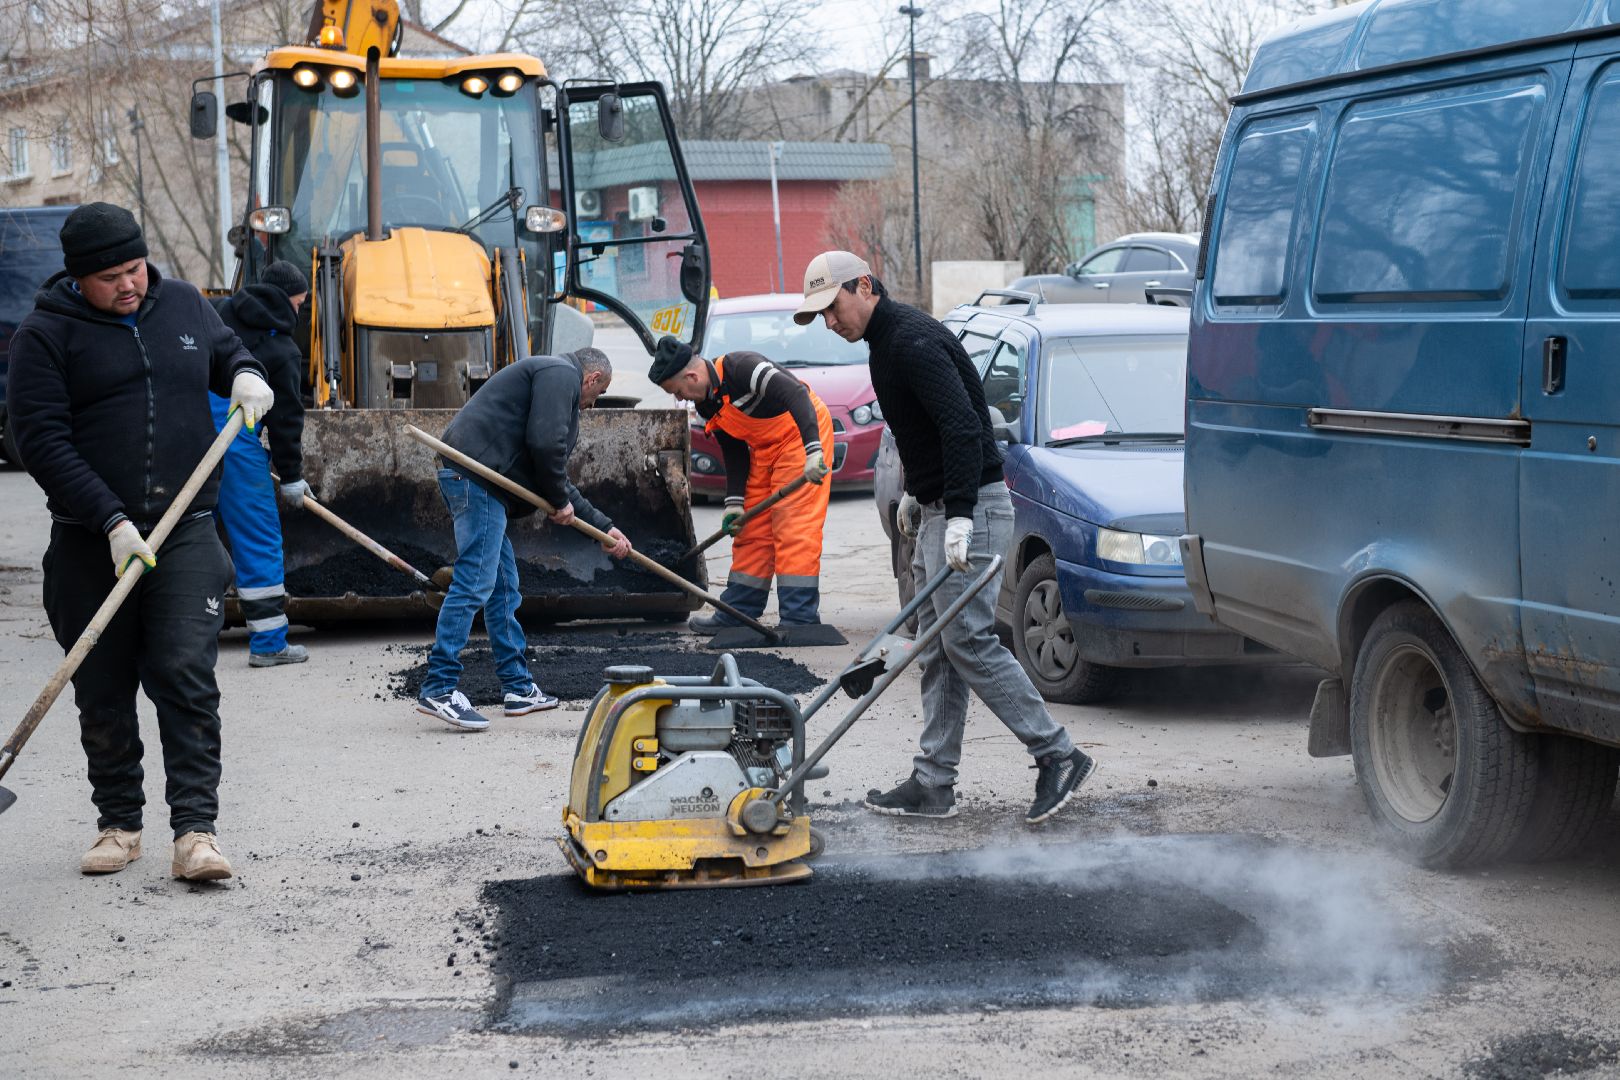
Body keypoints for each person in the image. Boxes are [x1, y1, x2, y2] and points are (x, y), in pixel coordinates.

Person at [7, 201, 273, 878]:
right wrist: (109, 519)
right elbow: (39, 439)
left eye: (135, 269)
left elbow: (226, 351)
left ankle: (196, 834)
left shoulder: (182, 303)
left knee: (185, 673)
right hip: (89, 539)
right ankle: (120, 824)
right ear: (76, 279)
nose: (129, 285)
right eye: (111, 278)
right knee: (101, 685)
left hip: (183, 530)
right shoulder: (45, 335)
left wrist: (246, 374)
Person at [793, 250, 1097, 824]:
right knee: (935, 646)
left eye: (832, 308)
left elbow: (963, 424)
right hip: (941, 507)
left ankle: (1059, 755)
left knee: (969, 640)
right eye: (821, 316)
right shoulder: (885, 347)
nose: (831, 323)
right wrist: (916, 490)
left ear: (863, 286)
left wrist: (958, 511)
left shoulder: (912, 342)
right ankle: (934, 783)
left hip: (974, 509)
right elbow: (920, 430)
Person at [416, 348, 632, 732]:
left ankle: (517, 688)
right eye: (594, 398)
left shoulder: (549, 375)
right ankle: (439, 687)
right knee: (475, 582)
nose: (590, 405)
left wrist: (602, 526)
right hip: (476, 480)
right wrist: (560, 500)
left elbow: (552, 470)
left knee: (502, 588)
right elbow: (546, 444)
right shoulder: (561, 373)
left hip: (482, 483)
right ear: (593, 379)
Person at [647, 335, 834, 630]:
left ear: (692, 375)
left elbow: (796, 394)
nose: (681, 399)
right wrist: (734, 504)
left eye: (678, 391)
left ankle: (800, 617)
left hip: (800, 436)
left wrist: (813, 452)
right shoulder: (708, 402)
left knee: (792, 525)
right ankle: (739, 611)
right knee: (751, 525)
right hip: (765, 448)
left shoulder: (744, 369)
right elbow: (733, 450)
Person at [209, 260, 311, 667]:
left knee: (183, 535)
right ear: (289, 301)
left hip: (184, 434)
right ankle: (269, 644)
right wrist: (291, 477)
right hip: (233, 441)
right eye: (300, 304)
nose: (300, 312)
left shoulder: (220, 314)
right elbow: (286, 420)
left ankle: (162, 639)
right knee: (256, 535)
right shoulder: (284, 350)